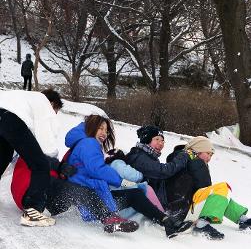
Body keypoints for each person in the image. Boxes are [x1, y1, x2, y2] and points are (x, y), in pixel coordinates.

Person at [65, 115, 192, 237]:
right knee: (134, 195)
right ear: (91, 127)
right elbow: (97, 169)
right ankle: (111, 219)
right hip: (86, 192)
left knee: (135, 194)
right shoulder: (89, 143)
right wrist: (121, 181)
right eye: (100, 128)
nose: (104, 133)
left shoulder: (85, 142)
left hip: (91, 191)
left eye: (106, 130)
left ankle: (166, 222)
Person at [11, 156, 140, 234]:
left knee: (72, 195)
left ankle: (44, 209)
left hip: (28, 198)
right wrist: (60, 166)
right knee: (78, 191)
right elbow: (40, 159)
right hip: (32, 189)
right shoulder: (33, 147)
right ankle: (108, 218)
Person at [167, 136, 251, 240]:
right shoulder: (196, 163)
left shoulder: (183, 159)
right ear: (197, 151)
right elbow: (205, 186)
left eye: (211, 155)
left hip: (180, 207)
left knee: (219, 195)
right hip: (184, 210)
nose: (209, 157)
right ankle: (201, 225)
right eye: (207, 153)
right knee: (221, 189)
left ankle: (242, 219)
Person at [0, 88, 62, 226]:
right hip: (12, 120)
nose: (54, 115)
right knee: (40, 165)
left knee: (3, 157)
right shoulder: (43, 102)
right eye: (55, 111)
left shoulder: (25, 97)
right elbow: (46, 142)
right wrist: (53, 160)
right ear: (52, 104)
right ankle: (32, 211)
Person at [125, 125, 190, 213]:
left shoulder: (150, 156)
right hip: (144, 202)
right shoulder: (139, 157)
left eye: (162, 141)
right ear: (146, 140)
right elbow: (164, 171)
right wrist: (183, 156)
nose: (161, 143)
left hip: (154, 198)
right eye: (157, 139)